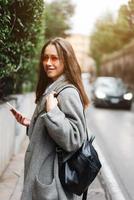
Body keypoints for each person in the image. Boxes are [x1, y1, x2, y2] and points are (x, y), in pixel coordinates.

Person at [11, 37, 90, 200]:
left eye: (54, 58)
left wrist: (53, 112)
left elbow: (74, 139)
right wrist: (31, 124)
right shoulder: (52, 86)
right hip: (43, 176)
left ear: (66, 60)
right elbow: (52, 133)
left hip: (52, 185)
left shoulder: (67, 93)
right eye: (45, 57)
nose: (48, 62)